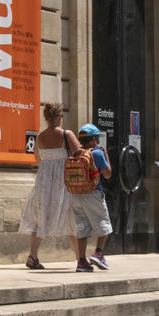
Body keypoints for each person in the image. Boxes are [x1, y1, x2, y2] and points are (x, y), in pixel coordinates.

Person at [19, 104, 80, 270]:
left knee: (39, 218)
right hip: (63, 182)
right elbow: (80, 155)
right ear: (59, 116)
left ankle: (33, 256)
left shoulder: (39, 137)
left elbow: (38, 159)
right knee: (71, 218)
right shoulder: (66, 134)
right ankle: (80, 258)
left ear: (46, 118)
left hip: (44, 182)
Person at [67, 124, 115, 272]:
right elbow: (107, 174)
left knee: (82, 228)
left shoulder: (77, 153)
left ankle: (81, 262)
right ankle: (98, 253)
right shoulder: (97, 154)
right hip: (93, 194)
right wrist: (106, 155)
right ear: (94, 139)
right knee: (104, 225)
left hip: (75, 195)